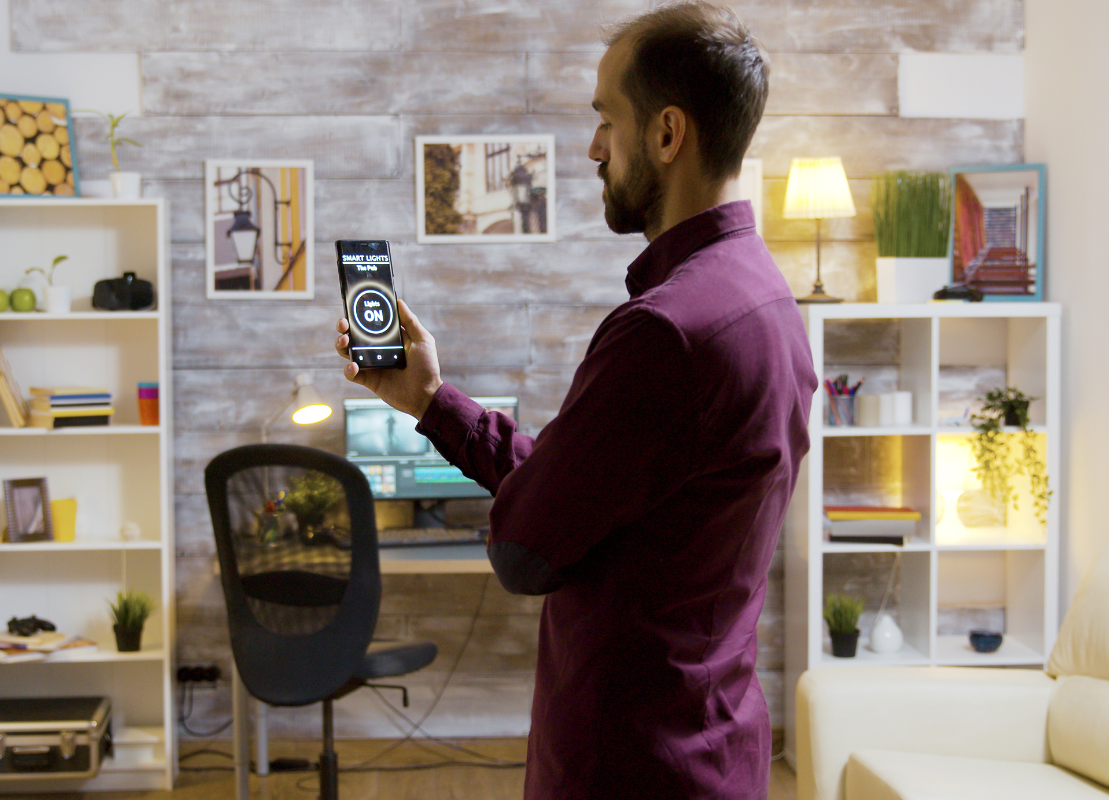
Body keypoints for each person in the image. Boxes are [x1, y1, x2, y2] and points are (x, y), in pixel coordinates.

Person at [335, 3, 816, 797]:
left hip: (627, 763)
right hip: (716, 743)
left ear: (667, 134)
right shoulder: (765, 297)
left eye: (605, 119)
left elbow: (525, 548)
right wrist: (428, 399)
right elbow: (584, 495)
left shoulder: (663, 333)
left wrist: (520, 506)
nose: (593, 147)